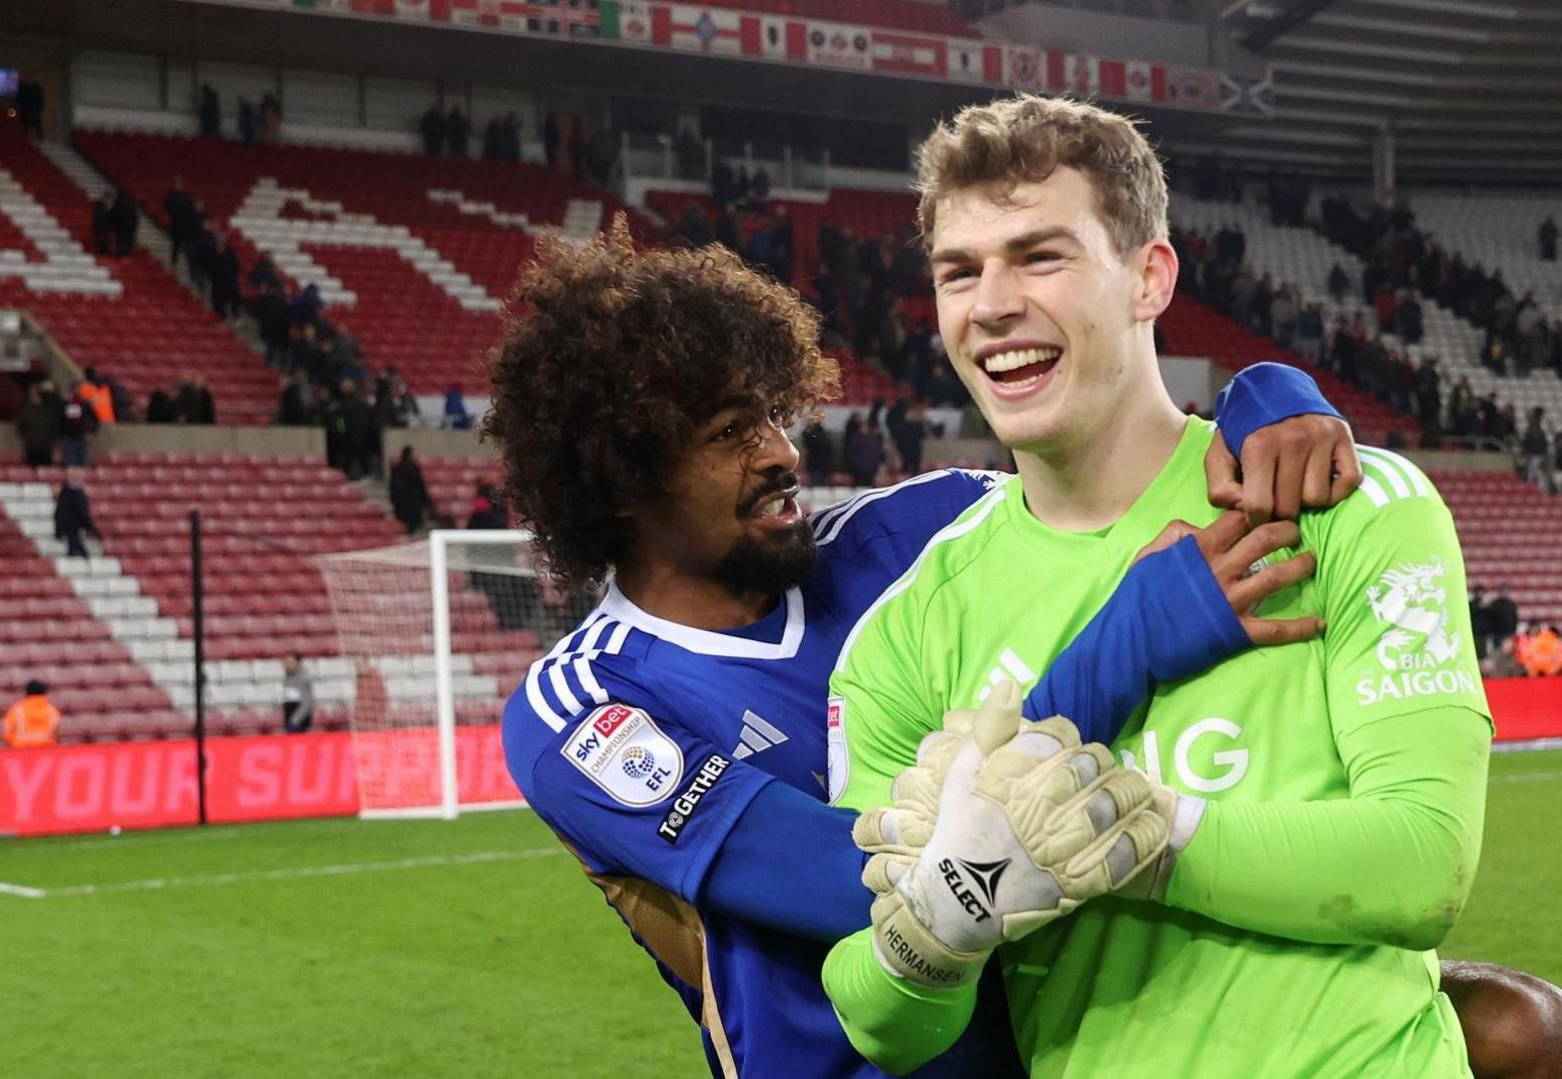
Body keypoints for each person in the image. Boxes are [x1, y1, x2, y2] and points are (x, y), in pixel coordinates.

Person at [484, 222, 1364, 1078]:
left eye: (772, 416)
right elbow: (885, 888)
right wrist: (1124, 644)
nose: (782, 453)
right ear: (621, 477)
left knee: (1498, 1026)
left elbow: (1133, 483)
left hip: (1073, 1046)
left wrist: (1266, 401)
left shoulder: (920, 528)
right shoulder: (587, 709)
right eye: (727, 433)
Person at [823, 93, 1538, 1077]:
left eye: (1041, 255)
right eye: (960, 271)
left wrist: (1144, 833)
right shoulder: (904, 635)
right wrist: (937, 929)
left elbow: (1421, 865)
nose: (991, 304)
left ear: (1149, 277)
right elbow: (880, 1019)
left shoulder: (1344, 505)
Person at [388, 446, 435, 534]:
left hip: (402, 503)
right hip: (412, 502)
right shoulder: (413, 468)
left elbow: (392, 487)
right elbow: (420, 485)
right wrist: (426, 502)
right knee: (413, 525)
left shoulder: (396, 469)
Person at [54, 474, 102, 558]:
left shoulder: (63, 496)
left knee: (73, 548)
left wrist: (58, 531)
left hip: (68, 529)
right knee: (77, 548)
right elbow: (83, 514)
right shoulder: (77, 496)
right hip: (73, 528)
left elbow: (57, 514)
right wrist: (94, 530)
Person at [3, 680, 61, 748]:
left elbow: (7, 734)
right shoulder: (53, 711)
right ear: (44, 693)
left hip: (22, 753)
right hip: (46, 753)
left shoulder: (16, 711)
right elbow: (56, 736)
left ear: (27, 693)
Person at [280, 653, 315, 733]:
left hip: (298, 723)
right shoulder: (287, 677)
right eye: (286, 662)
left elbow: (307, 702)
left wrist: (295, 720)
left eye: (290, 662)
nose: (287, 665)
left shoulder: (303, 678)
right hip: (290, 719)